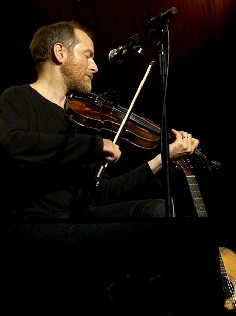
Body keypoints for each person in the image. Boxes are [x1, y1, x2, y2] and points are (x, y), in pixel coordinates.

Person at [0, 20, 200, 221]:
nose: (94, 67)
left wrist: (162, 158)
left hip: (82, 218)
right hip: (38, 221)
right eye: (87, 56)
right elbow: (11, 144)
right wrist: (93, 145)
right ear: (60, 53)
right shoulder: (18, 97)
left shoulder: (79, 118)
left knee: (160, 210)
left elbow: (104, 193)